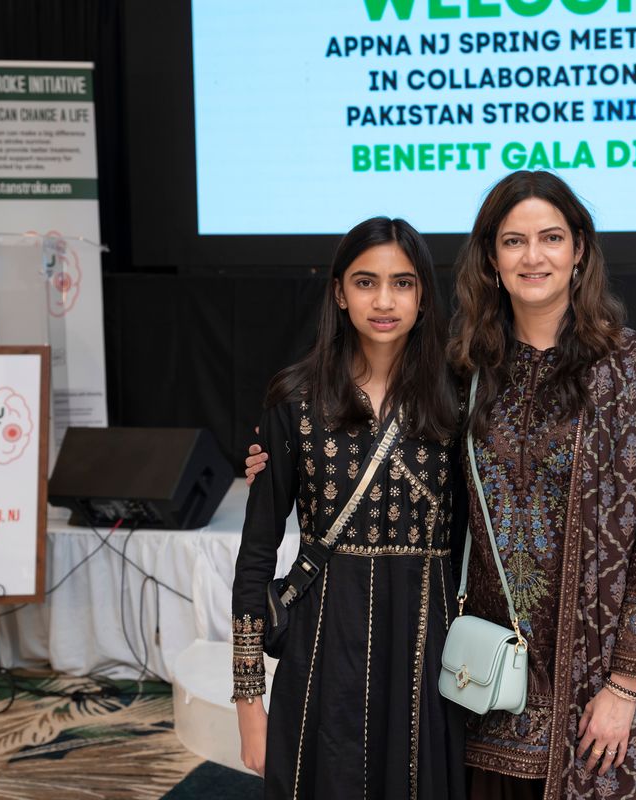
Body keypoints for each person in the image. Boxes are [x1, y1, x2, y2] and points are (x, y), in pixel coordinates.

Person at [448, 170, 636, 799]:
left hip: (599, 688)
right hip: (491, 684)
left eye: (551, 238)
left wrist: (625, 684)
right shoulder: (464, 372)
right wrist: (274, 451)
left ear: (579, 249)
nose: (534, 257)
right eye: (514, 241)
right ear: (491, 259)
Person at [231, 217, 465, 800]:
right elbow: (257, 549)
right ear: (339, 292)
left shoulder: (461, 395)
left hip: (426, 642)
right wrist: (247, 701)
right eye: (366, 282)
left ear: (423, 294)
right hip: (321, 643)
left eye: (403, 283)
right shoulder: (294, 398)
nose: (384, 300)